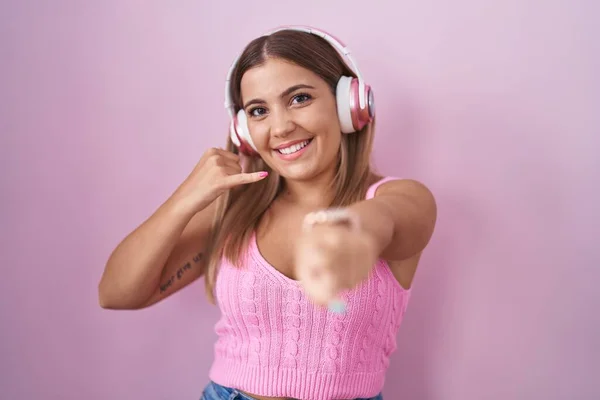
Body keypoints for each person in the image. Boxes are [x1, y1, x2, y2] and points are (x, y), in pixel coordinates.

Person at [98, 25, 437, 400]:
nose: (281, 126)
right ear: (244, 130)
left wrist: (352, 234)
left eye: (299, 99)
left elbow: (385, 220)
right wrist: (185, 199)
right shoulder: (236, 210)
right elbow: (117, 294)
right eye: (259, 111)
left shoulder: (403, 196)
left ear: (347, 104)